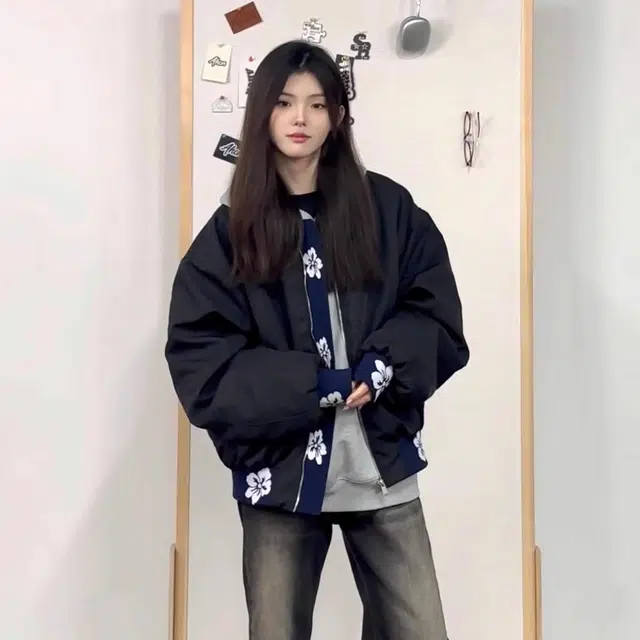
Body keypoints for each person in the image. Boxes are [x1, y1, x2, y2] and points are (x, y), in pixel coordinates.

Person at [165, 40, 469, 640]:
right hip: (280, 472)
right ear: (262, 113)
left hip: (380, 465)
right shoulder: (230, 233)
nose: (299, 118)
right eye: (283, 103)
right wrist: (315, 386)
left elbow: (435, 313)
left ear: (337, 116)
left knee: (421, 630)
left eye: (316, 104)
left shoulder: (389, 210)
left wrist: (384, 364)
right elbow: (204, 362)